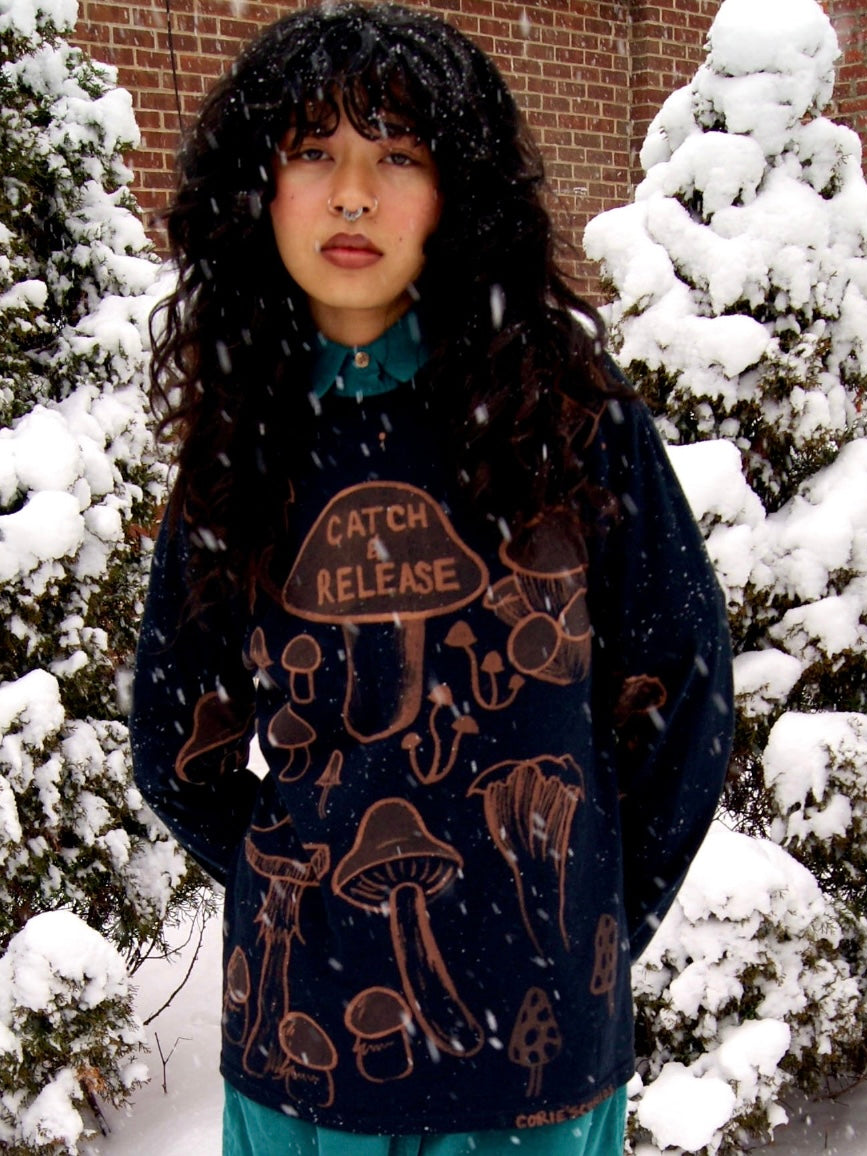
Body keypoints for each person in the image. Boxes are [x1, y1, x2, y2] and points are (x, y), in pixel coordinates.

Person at [131, 4, 734, 1154]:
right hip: (303, 1068)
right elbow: (175, 742)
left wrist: (586, 918)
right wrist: (294, 890)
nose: (351, 192)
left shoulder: (568, 420)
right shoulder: (240, 445)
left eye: (397, 154)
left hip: (536, 1078)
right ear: (254, 188)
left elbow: (681, 693)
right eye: (312, 151)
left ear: (457, 194)